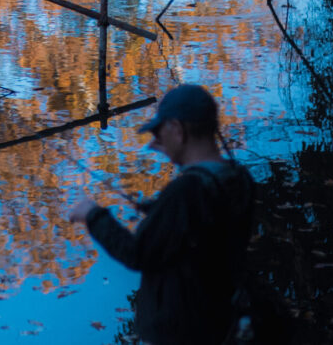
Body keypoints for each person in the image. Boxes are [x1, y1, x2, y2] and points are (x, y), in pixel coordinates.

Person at [68, 84, 255, 345]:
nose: (153, 143)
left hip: (183, 331)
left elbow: (137, 254)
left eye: (158, 132)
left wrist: (93, 215)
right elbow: (203, 225)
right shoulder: (239, 178)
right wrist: (158, 209)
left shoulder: (185, 191)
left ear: (177, 130)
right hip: (218, 318)